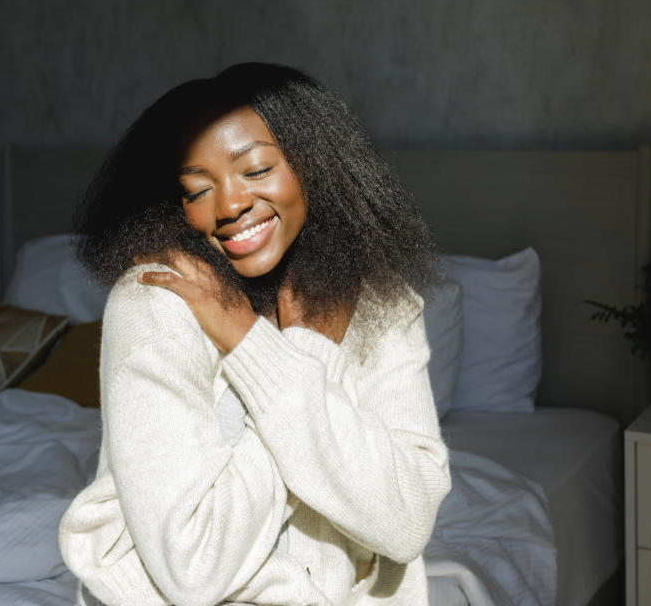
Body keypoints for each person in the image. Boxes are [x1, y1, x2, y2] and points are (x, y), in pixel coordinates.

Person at [58, 62, 451, 606]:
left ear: (313, 167)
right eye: (197, 191)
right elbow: (193, 572)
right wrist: (295, 350)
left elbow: (406, 522)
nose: (230, 205)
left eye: (257, 169)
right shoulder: (157, 302)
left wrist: (259, 346)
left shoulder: (384, 305)